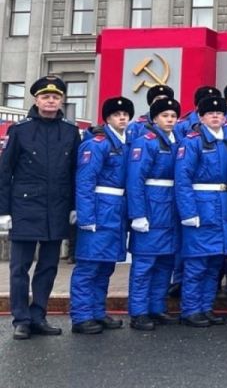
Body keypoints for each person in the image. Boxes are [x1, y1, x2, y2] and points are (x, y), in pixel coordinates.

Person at [0, 77, 80, 340]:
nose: (50, 101)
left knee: (48, 267)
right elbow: (5, 171)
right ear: (36, 99)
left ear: (61, 101)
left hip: (56, 208)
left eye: (55, 97)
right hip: (25, 207)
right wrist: (4, 212)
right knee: (20, 268)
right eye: (45, 96)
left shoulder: (70, 131)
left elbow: (75, 173)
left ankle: (39, 315)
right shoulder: (20, 130)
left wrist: (73, 206)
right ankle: (21, 319)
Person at [70, 96, 134, 334]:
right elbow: (85, 181)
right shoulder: (97, 143)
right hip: (99, 208)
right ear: (107, 118)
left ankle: (97, 311)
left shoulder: (125, 143)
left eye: (126, 115)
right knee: (89, 265)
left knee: (106, 266)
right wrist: (86, 217)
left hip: (116, 210)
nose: (123, 118)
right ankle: (81, 316)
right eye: (117, 115)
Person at [175, 96, 227, 328]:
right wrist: (189, 212)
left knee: (214, 263)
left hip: (222, 207)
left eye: (219, 113)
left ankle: (206, 307)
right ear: (201, 117)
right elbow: (183, 179)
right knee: (197, 263)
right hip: (202, 206)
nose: (216, 117)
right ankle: (190, 309)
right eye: (211, 114)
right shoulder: (192, 141)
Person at [126, 97, 181, 331]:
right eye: (165, 116)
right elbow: (135, 179)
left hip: (170, 209)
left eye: (173, 116)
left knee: (165, 263)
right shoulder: (145, 142)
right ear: (154, 118)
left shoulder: (176, 141)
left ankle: (157, 308)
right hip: (151, 207)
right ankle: (138, 311)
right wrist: (137, 214)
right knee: (145, 263)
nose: (169, 120)